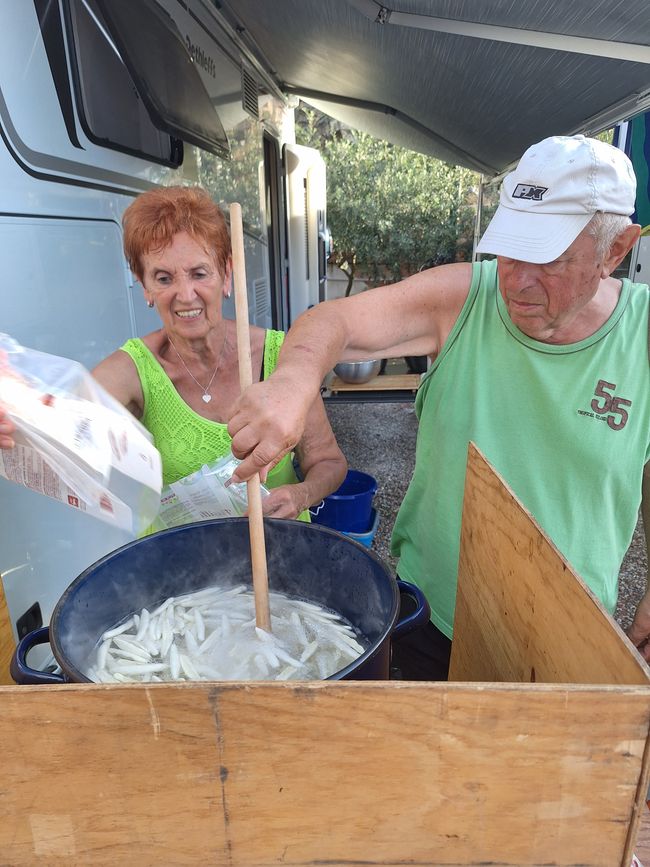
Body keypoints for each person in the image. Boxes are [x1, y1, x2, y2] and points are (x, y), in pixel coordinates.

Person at [225, 134, 650, 677]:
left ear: (616, 250)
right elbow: (335, 321)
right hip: (433, 617)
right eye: (511, 247)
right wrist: (293, 382)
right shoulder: (463, 298)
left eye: (548, 259)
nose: (515, 280)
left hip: (568, 631)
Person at [0, 186, 347, 522]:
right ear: (144, 285)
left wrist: (300, 495)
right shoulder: (134, 369)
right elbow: (60, 418)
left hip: (282, 550)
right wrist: (14, 408)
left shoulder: (280, 355)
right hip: (183, 567)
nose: (185, 294)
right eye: (164, 278)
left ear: (226, 276)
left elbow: (328, 462)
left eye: (199, 273)